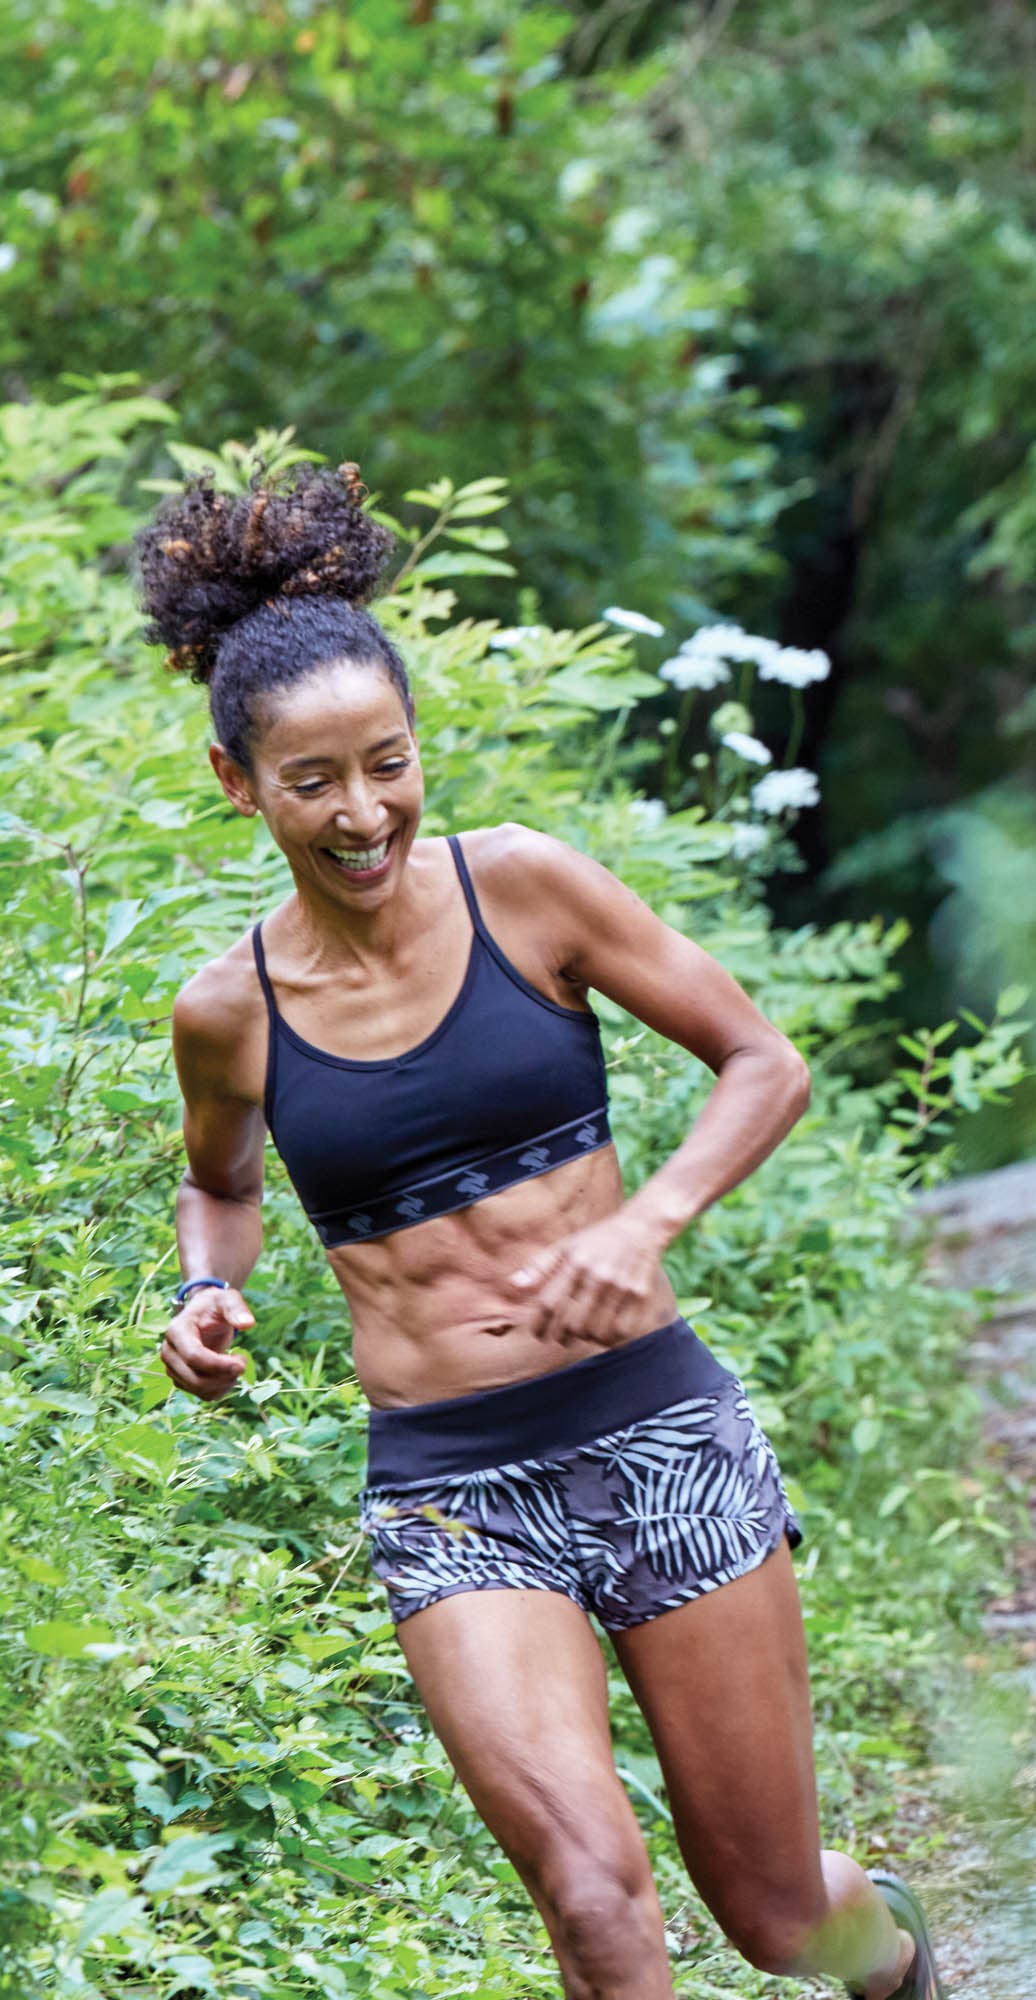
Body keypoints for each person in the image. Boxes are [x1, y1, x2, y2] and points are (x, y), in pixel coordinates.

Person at [144, 462, 943, 2000]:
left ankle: (894, 1955)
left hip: (657, 1426)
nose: (363, 810)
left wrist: (646, 1225)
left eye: (388, 761)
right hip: (451, 1490)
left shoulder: (525, 889)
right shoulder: (227, 1014)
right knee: (590, 1895)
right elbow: (225, 1186)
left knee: (780, 1920)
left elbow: (762, 1064)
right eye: (313, 780)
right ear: (239, 783)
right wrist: (202, 1291)